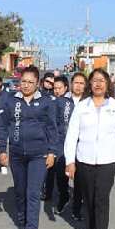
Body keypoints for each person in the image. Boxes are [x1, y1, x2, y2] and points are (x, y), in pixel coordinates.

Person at [64, 68, 115, 229]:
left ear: (107, 83)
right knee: (89, 198)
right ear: (89, 84)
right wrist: (70, 161)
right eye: (94, 80)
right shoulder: (82, 107)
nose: (98, 84)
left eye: (102, 80)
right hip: (84, 159)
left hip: (108, 160)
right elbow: (71, 136)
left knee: (101, 198)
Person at [0, 66, 58, 229]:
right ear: (19, 81)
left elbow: (52, 129)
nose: (26, 85)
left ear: (37, 84)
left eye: (30, 82)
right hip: (16, 154)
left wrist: (52, 152)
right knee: (20, 191)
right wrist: (2, 150)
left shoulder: (46, 102)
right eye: (23, 81)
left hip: (39, 154)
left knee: (33, 192)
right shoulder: (10, 101)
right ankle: (22, 223)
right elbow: (2, 126)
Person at [44, 75, 73, 214]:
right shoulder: (51, 100)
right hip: (52, 140)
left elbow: (65, 123)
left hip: (64, 142)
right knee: (53, 171)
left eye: (59, 88)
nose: (56, 90)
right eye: (55, 88)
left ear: (66, 88)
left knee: (61, 172)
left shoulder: (66, 102)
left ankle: (65, 196)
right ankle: (56, 194)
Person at [68, 72, 88, 221]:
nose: (78, 86)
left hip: (83, 146)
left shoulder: (89, 102)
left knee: (80, 180)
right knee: (63, 178)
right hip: (66, 144)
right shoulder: (63, 101)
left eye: (82, 83)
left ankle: (77, 208)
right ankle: (64, 196)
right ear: (71, 84)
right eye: (76, 82)